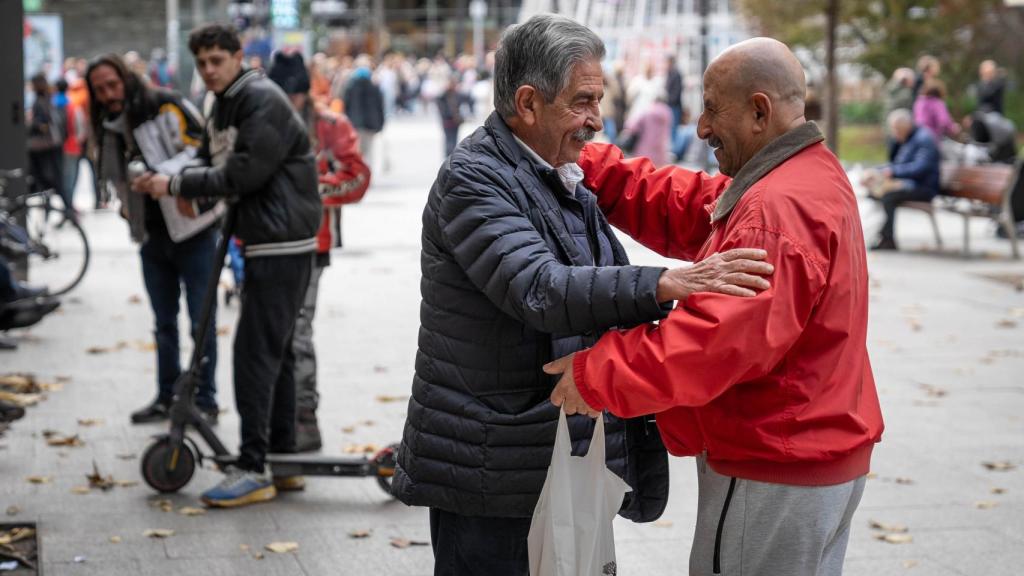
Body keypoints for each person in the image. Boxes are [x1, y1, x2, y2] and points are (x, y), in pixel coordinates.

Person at [391, 15, 774, 576]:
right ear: (528, 102)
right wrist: (668, 282)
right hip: (492, 465)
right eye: (584, 101)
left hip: (547, 457)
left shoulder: (552, 171)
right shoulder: (473, 178)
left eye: (599, 99)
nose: (598, 119)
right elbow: (539, 287)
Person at [544, 37, 884, 576]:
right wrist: (592, 165)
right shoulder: (802, 175)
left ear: (759, 111)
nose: (701, 128)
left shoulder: (777, 208)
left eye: (711, 109)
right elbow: (695, 207)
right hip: (807, 453)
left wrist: (597, 374)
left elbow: (713, 344)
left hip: (774, 463)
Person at [135, 24, 322, 507]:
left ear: (239, 56)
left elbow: (243, 172)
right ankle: (282, 460)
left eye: (217, 60)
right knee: (272, 353)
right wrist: (166, 175)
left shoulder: (260, 98)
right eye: (202, 63)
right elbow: (206, 155)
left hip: (280, 242)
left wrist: (173, 187)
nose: (209, 70)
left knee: (253, 356)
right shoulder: (229, 101)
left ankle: (253, 465)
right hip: (269, 240)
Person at [85, 54, 222, 424]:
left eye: (113, 85)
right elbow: (113, 177)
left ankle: (205, 401)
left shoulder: (166, 103)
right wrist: (127, 204)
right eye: (100, 90)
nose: (109, 94)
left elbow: (204, 148)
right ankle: (166, 397)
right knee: (164, 324)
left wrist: (162, 176)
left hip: (194, 231)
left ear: (127, 78)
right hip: (151, 236)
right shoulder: (108, 125)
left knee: (201, 322)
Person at [267, 51, 371, 457]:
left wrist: (311, 187)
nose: (289, 102)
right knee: (271, 335)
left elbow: (358, 177)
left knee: (297, 331)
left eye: (294, 94)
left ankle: (303, 417)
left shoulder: (330, 124)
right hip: (262, 243)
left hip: (312, 243)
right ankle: (275, 415)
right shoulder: (260, 119)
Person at [865, 109, 941, 251]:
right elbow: (895, 164)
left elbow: (921, 168)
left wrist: (892, 172)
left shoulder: (924, 138)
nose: (895, 134)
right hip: (909, 184)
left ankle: (888, 240)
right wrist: (877, 171)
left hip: (923, 187)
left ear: (906, 126)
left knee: (887, 195)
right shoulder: (907, 139)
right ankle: (881, 235)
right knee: (874, 192)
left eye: (897, 130)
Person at [27, 74, 67, 215]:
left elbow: (43, 123)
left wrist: (32, 124)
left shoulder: (41, 100)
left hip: (44, 146)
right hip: (52, 144)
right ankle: (61, 209)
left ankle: (66, 209)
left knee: (50, 180)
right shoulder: (49, 98)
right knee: (52, 180)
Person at [343, 58, 385, 169]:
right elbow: (380, 106)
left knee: (358, 150)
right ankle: (368, 174)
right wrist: (380, 124)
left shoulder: (350, 86)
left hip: (355, 124)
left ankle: (360, 175)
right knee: (369, 150)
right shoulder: (374, 86)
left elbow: (345, 105)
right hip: (371, 124)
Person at [53, 79, 87, 214]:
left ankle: (68, 205)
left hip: (56, 147)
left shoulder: (53, 104)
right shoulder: (73, 105)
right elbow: (81, 128)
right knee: (71, 177)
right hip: (72, 146)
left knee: (63, 177)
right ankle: (69, 205)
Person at [437, 78, 463, 157]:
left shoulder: (457, 94)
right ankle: (449, 156)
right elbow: (441, 106)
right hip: (448, 121)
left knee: (453, 139)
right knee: (449, 140)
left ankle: (452, 156)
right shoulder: (444, 96)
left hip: (455, 121)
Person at [665, 54, 684, 133]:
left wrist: (667, 100)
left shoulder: (676, 74)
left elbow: (676, 93)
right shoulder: (669, 74)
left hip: (674, 106)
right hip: (670, 106)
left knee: (673, 130)